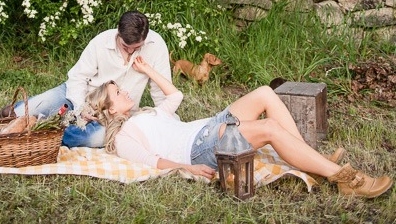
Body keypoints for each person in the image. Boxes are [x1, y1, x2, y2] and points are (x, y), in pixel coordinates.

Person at [84, 56, 393, 198]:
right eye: (117, 93)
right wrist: (184, 167)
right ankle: (345, 179)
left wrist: (148, 69)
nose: (124, 91)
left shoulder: (148, 112)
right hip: (201, 148)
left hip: (209, 126)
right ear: (110, 109)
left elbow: (176, 94)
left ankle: (310, 158)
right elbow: (151, 162)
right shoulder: (124, 135)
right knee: (269, 128)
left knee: (265, 93)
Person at [0, 11, 172, 148]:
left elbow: (161, 92)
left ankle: (48, 129)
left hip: (114, 113)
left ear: (145, 38)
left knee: (98, 139)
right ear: (118, 34)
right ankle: (21, 112)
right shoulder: (101, 42)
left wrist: (167, 121)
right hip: (81, 95)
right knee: (20, 113)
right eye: (126, 47)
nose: (130, 52)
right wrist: (81, 107)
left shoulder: (157, 46)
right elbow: (78, 77)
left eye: (136, 48)